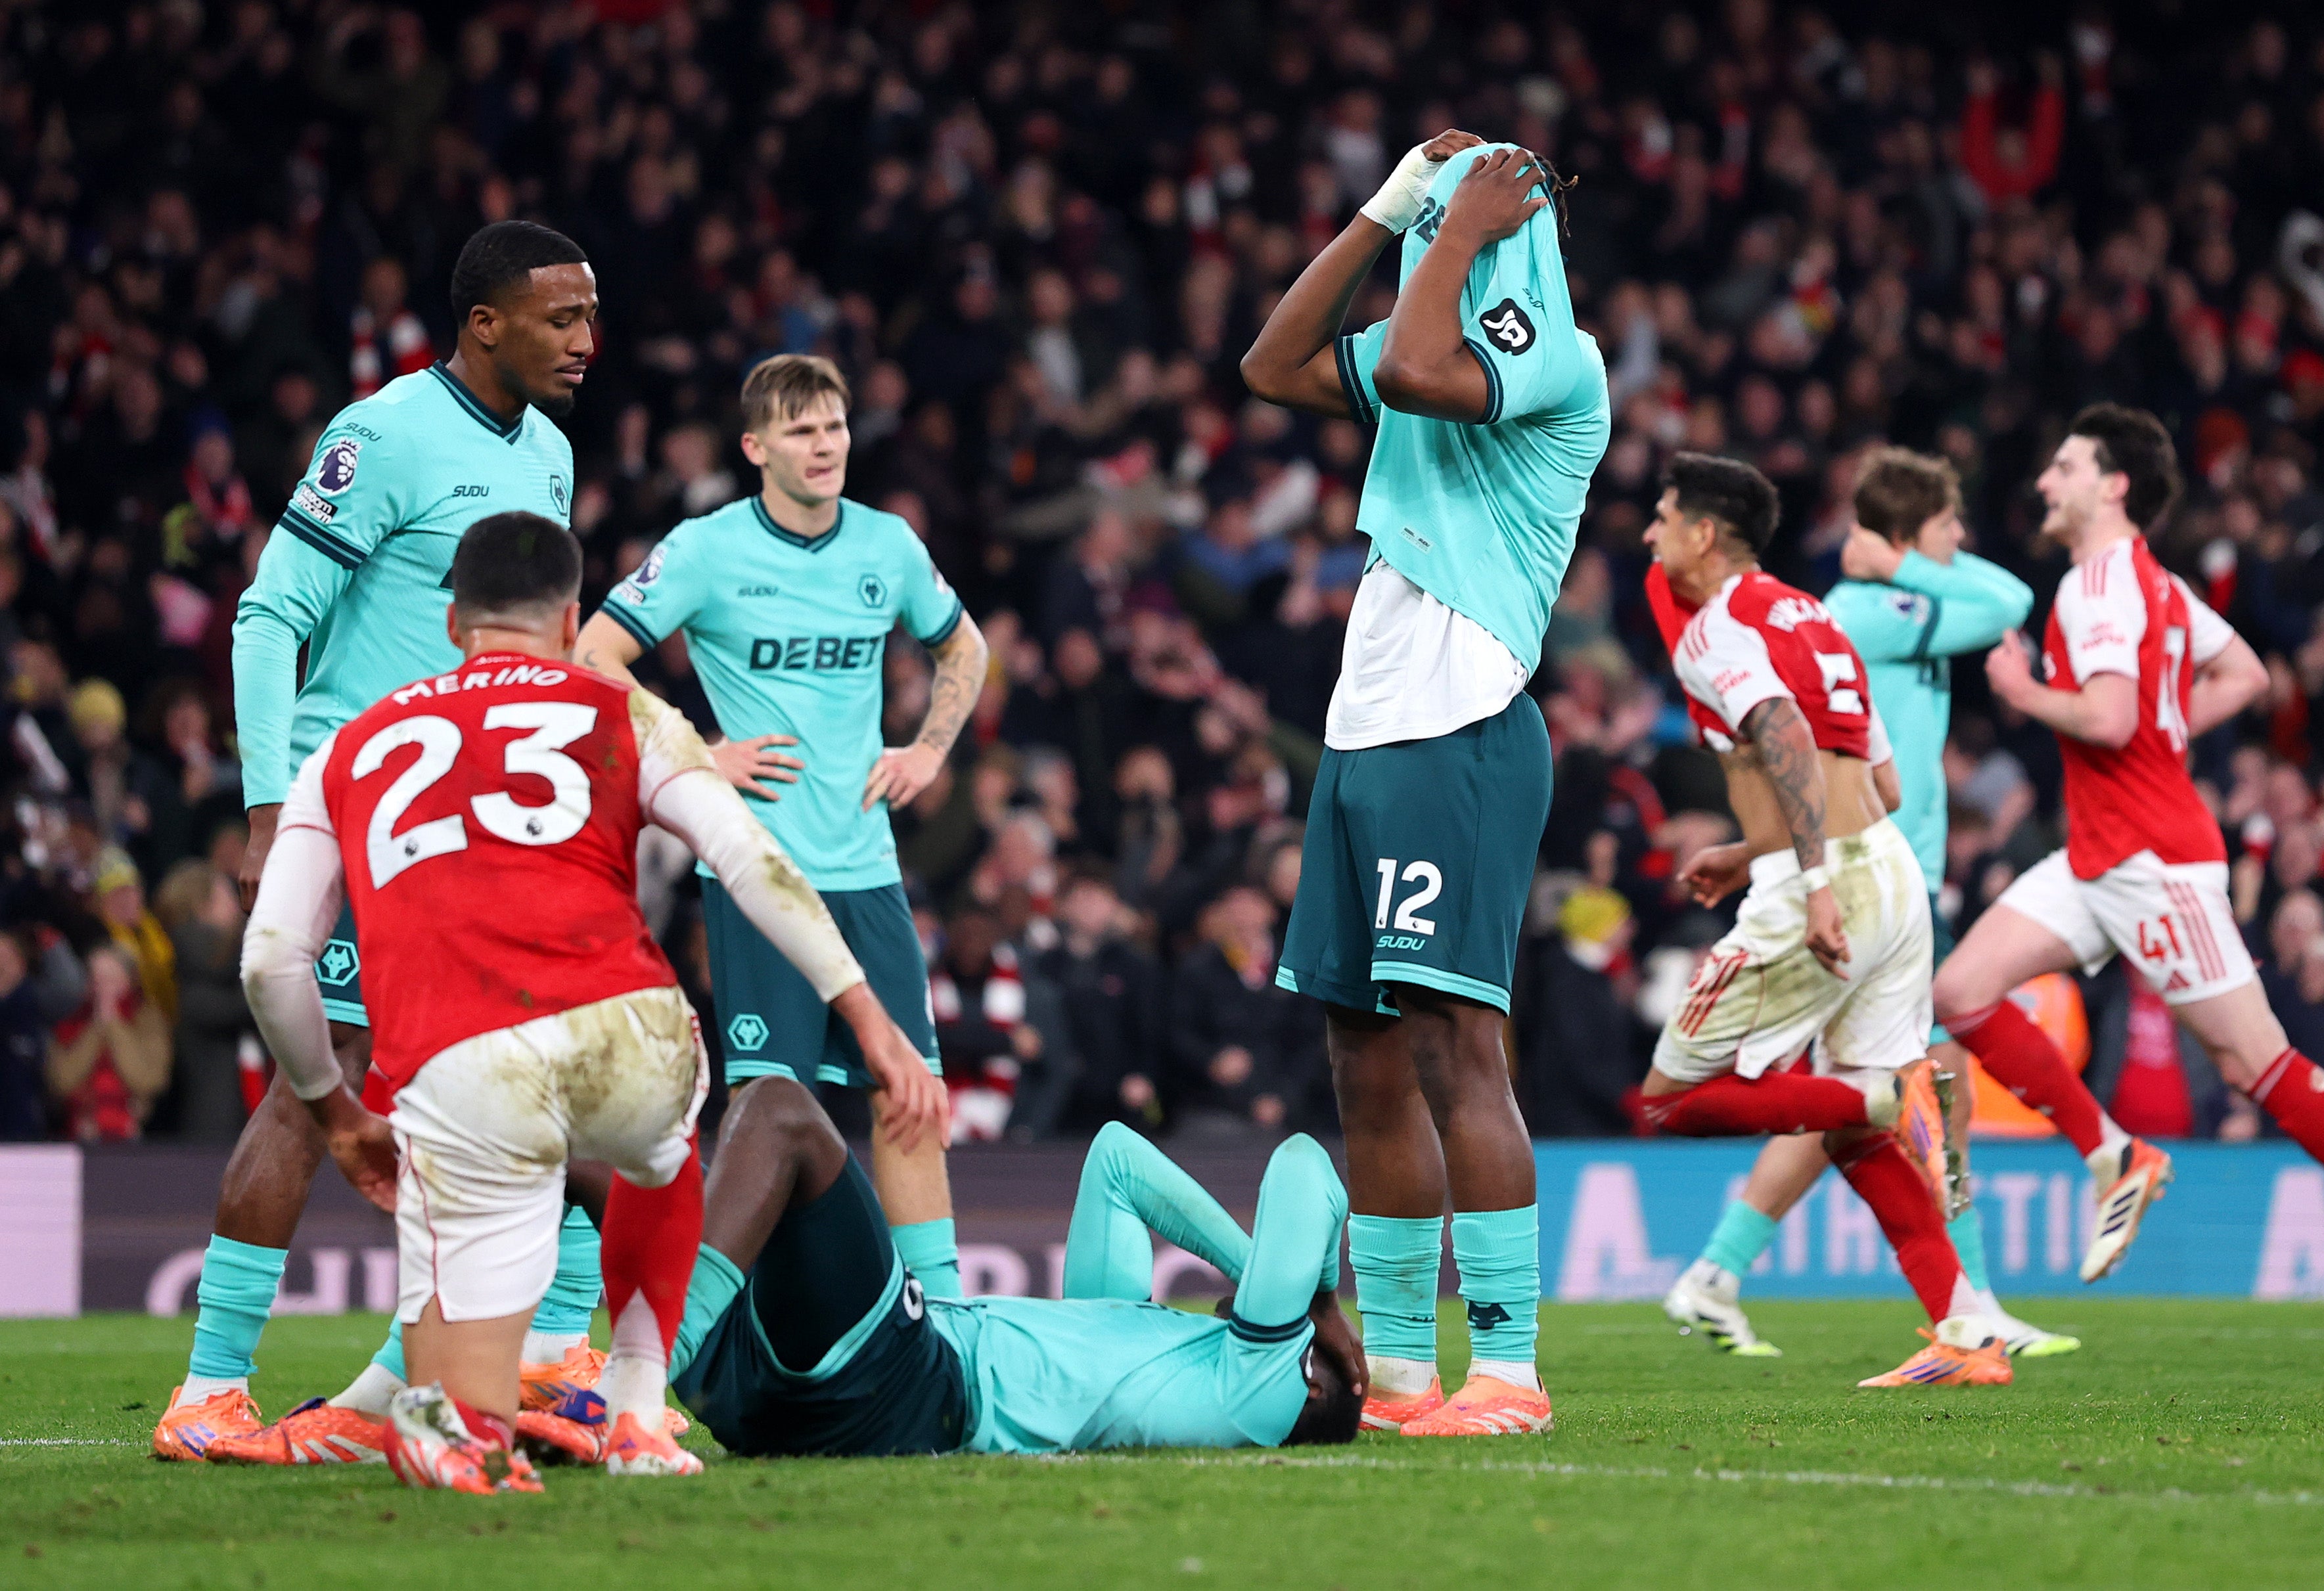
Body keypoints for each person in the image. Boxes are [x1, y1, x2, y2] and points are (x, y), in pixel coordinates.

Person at [234, 512, 947, 1492]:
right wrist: (865, 1014)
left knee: (463, 1360)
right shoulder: (627, 714)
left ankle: (448, 1424)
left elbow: (271, 961)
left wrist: (328, 1105)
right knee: (659, 1157)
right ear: (573, 621)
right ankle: (640, 1411)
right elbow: (752, 860)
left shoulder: (350, 747)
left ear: (453, 625)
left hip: (457, 1061)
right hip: (633, 1033)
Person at [156, 220, 605, 1464]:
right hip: (361, 816)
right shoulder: (382, 435)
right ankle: (210, 1388)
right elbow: (266, 618)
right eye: (561, 318)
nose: (586, 340)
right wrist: (266, 810)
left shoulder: (552, 455)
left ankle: (554, 1354)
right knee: (330, 1083)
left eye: (590, 315)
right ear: (484, 324)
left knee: (544, 1066)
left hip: (483, 832)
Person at [1240, 132, 1609, 1435]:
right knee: (1364, 1057)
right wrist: (1375, 213)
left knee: (1460, 1045)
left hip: (1460, 723)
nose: (1432, 226)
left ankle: (1505, 1369)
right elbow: (1270, 363)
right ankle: (1399, 1377)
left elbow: (1408, 363)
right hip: (1369, 723)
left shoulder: (1551, 355)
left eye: (1453, 210)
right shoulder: (1444, 306)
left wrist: (1439, 237)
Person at [576, 353, 988, 1300]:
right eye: (802, 430)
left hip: (867, 872)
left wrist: (927, 749)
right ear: (756, 447)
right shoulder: (707, 548)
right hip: (755, 871)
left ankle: (949, 1317)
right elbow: (594, 652)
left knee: (907, 1093)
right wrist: (689, 751)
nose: (825, 444)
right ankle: (736, 1317)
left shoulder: (885, 545)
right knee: (769, 1103)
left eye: (835, 426)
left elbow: (962, 643)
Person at [1662, 447, 2076, 1359]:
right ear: (1903, 537)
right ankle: (1960, 1301)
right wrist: (1903, 572)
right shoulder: (1868, 612)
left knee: (1898, 1093)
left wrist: (1910, 564)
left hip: (1896, 870)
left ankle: (1724, 1274)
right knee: (1891, 1093)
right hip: (1867, 870)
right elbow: (2009, 604)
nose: (1959, 545)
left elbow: (2001, 599)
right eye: (1944, 532)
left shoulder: (1899, 602)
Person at [1932, 404, 2324, 1268]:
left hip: (2154, 865)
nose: (2044, 480)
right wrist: (2165, 729)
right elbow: (2245, 673)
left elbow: (2109, 718)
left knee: (2257, 1068)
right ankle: (2117, 1154)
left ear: (2113, 486)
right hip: (2097, 857)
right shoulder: (2158, 583)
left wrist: (2023, 689)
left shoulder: (2099, 585)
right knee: (1959, 989)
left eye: (2065, 467)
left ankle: (2121, 1154)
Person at [577, 1078, 1360, 1460]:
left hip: (903, 1384)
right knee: (594, 1159)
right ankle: (503, 1385)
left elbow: (1303, 1166)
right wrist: (1299, 1296)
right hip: (783, 1390)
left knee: (781, 1113)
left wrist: (1319, 1297)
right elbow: (1117, 1157)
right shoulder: (1158, 1348)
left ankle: (647, 1372)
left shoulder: (1261, 1392)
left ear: (1314, 1382)